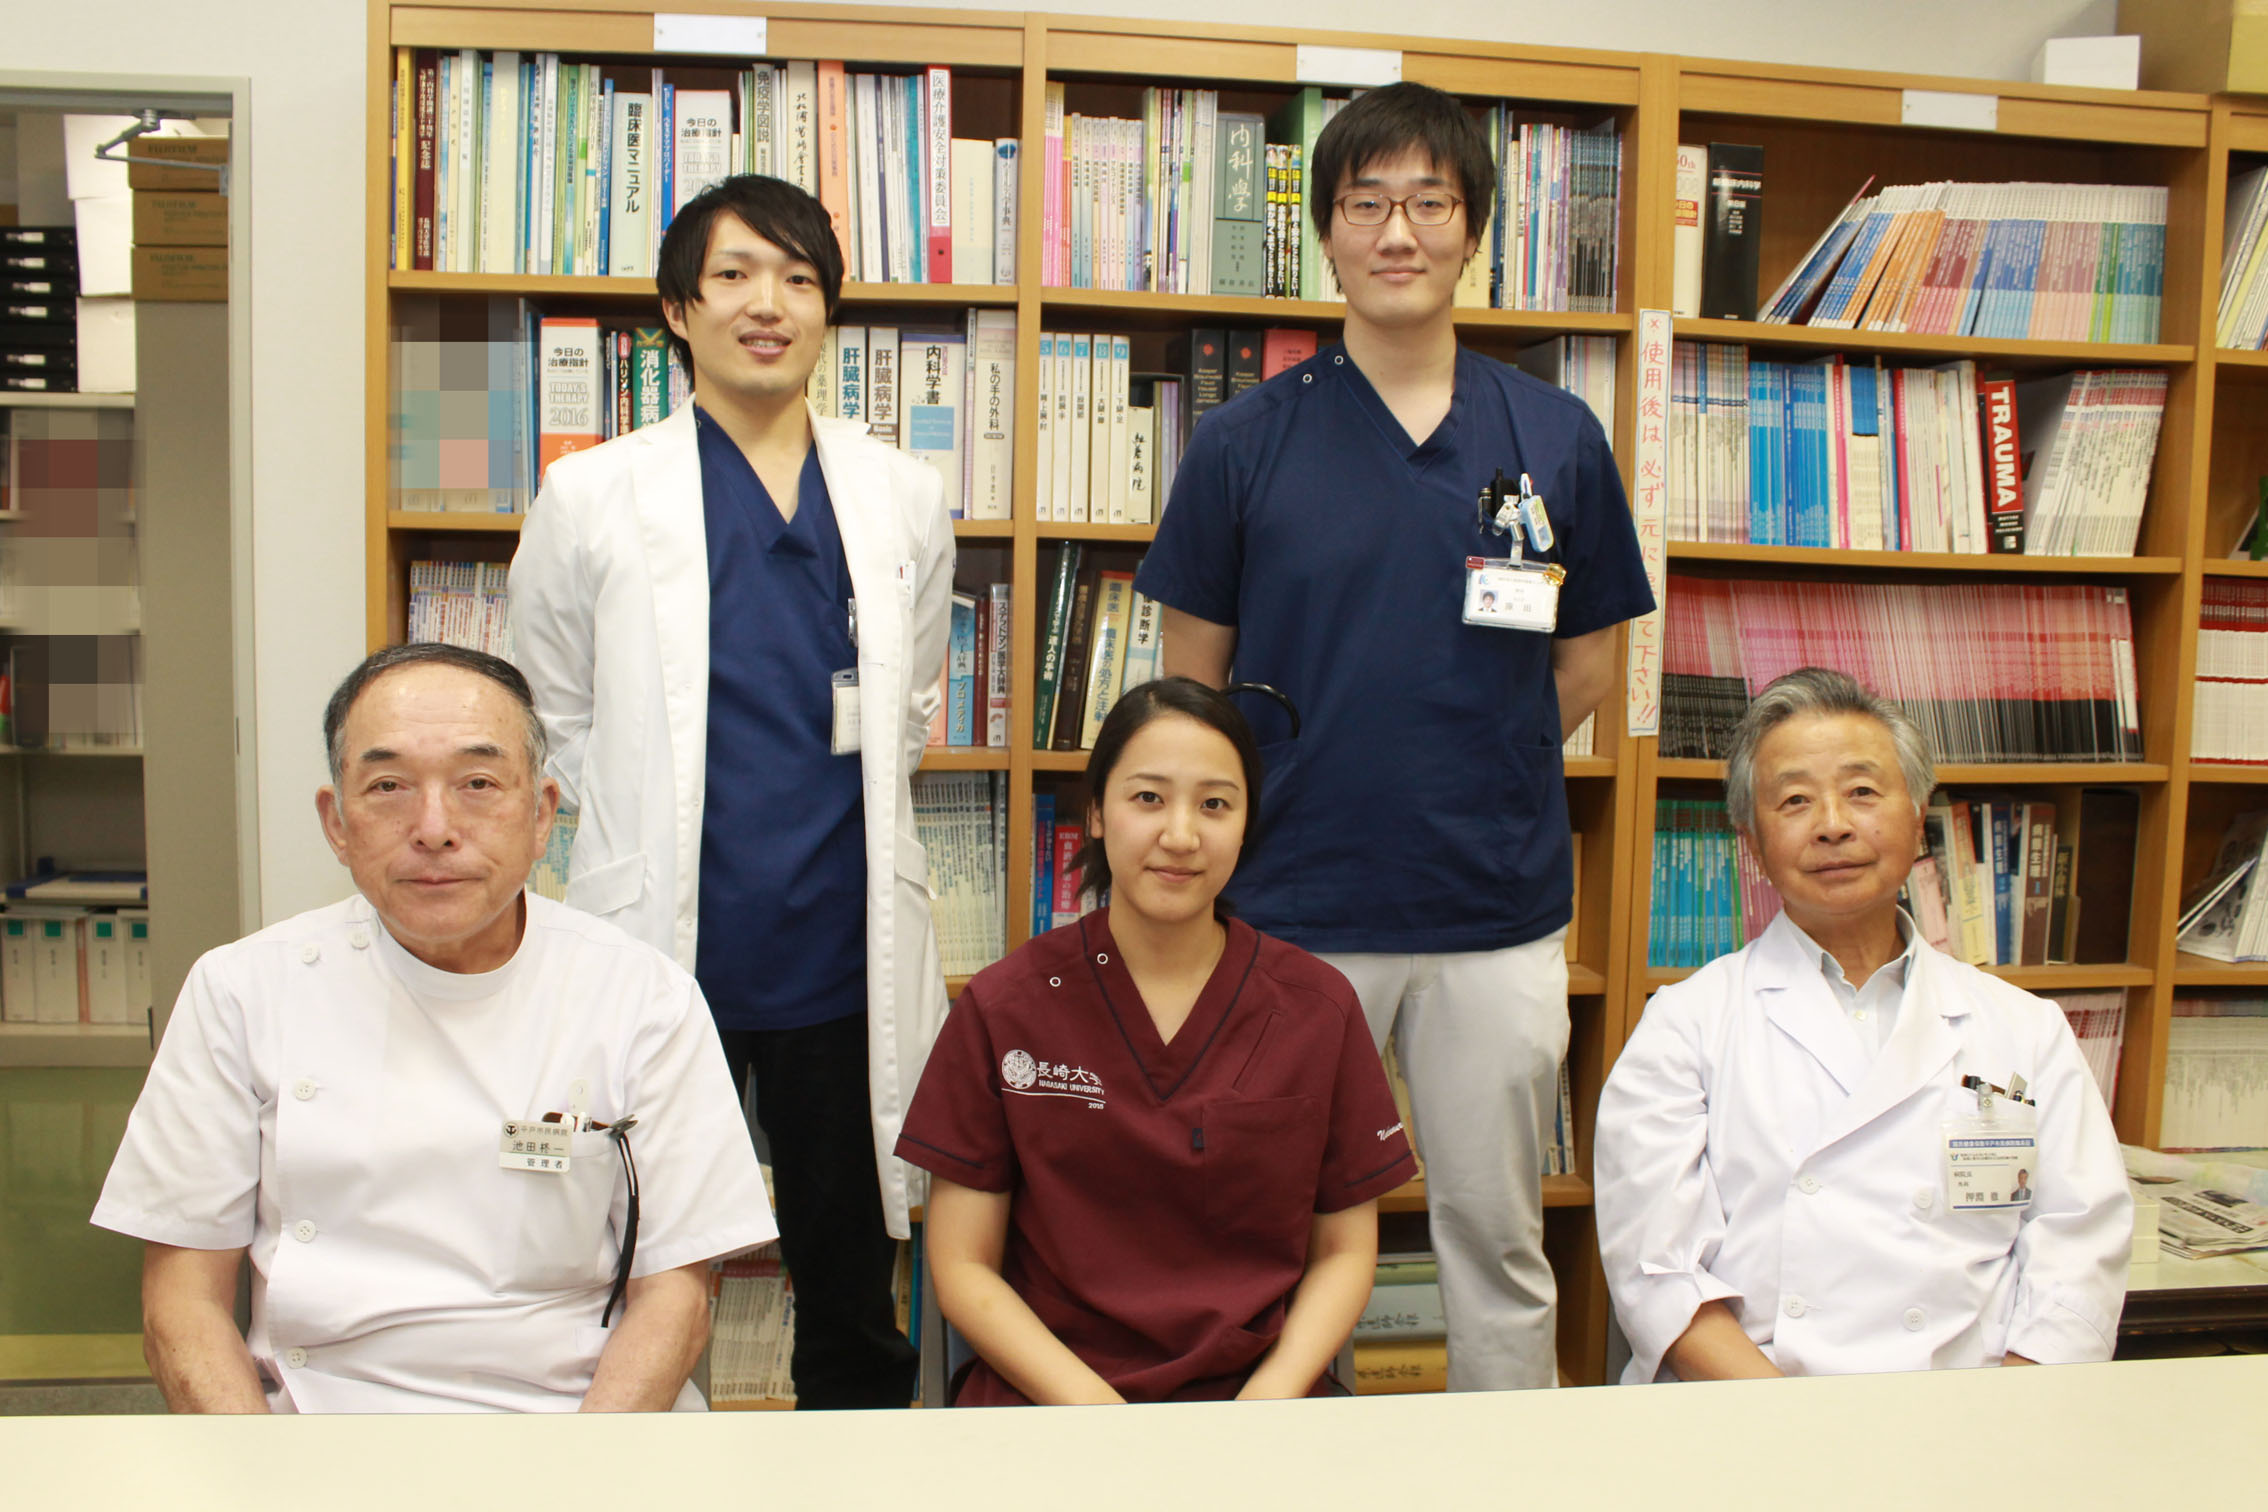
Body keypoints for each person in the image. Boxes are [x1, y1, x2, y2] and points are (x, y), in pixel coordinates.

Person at [1132, 81, 1654, 1391]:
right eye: (1366, 205)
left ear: (1476, 229)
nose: (1398, 232)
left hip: (1495, 907)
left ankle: (1504, 1469)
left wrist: (1480, 754)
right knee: (1282, 1231)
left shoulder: (1553, 435)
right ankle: (1292, 1452)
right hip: (1296, 907)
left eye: (1430, 202)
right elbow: (1192, 683)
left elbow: (1591, 660)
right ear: (1326, 234)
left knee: (1496, 1234)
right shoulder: (1247, 442)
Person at [510, 174, 953, 1409]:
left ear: (829, 312)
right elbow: (551, 712)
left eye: (800, 279)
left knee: (851, 1281)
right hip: (666, 948)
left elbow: (910, 707)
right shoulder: (593, 495)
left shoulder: (901, 495)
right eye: (736, 276)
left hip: (840, 956)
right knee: (638, 1268)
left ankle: (849, 1483)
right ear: (677, 310)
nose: (770, 305)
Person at [90, 644, 775, 1412]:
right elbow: (182, 1305)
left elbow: (674, 1297)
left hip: (573, 1421)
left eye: (478, 783)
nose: (434, 828)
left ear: (542, 814)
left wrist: (584, 1469)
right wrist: (262, 1470)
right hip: (318, 1425)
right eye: (388, 787)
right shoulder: (242, 991)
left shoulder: (644, 998)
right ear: (337, 823)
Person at [1594, 667, 2131, 1383]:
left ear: (1917, 813)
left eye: (1862, 792)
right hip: (1751, 1410)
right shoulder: (1685, 1025)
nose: (1833, 824)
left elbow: (2079, 1245)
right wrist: (1800, 1428)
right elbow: (1659, 1273)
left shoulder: (2023, 1028)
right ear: (1751, 842)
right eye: (1794, 800)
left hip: (1973, 1408)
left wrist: (2001, 1420)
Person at [896, 678, 1417, 1405]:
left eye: (1215, 804)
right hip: (1051, 1401)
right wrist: (1096, 1414)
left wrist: (1268, 1400)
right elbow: (962, 1266)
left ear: (1247, 823)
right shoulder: (1004, 1007)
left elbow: (1345, 1252)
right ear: (1096, 812)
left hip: (1255, 1403)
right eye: (1148, 798)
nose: (1181, 835)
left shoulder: (1317, 1008)